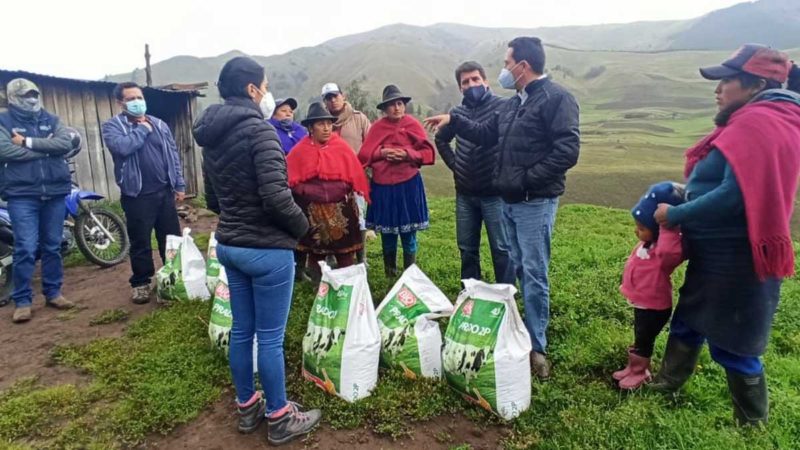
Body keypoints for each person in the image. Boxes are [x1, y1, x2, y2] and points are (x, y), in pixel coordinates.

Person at [652, 44, 800, 427]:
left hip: (737, 257)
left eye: (726, 81)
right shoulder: (767, 116)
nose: (717, 90)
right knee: (690, 319)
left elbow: (735, 195)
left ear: (755, 84)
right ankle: (669, 382)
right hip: (719, 251)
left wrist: (676, 213)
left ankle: (752, 424)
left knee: (734, 340)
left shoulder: (758, 123)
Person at [424, 37, 580, 379]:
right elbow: (482, 134)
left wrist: (526, 179)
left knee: (533, 273)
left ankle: (536, 347)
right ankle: (508, 319)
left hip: (534, 201)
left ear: (523, 66)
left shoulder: (557, 99)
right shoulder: (512, 106)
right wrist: (453, 119)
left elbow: (567, 151)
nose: (505, 69)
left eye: (508, 63)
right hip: (508, 201)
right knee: (517, 264)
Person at [192, 56, 320, 445]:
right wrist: (306, 231)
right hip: (266, 251)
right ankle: (280, 417)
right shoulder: (260, 133)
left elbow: (213, 198)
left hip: (229, 244)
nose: (268, 93)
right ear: (251, 90)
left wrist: (238, 216)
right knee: (270, 338)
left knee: (242, 330)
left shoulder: (210, 136)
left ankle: (248, 407)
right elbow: (277, 199)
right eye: (264, 86)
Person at [0, 78, 81, 323]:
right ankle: (23, 300)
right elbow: (5, 150)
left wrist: (27, 142)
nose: (32, 99)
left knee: (53, 246)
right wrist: (48, 149)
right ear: (13, 97)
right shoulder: (4, 121)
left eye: (35, 94)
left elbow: (64, 143)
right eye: (26, 95)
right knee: (25, 247)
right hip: (22, 195)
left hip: (55, 192)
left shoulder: (51, 119)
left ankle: (53, 293)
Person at [102, 82, 185, 305]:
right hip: (137, 194)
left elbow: (172, 155)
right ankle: (141, 283)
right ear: (120, 103)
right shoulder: (112, 127)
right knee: (140, 242)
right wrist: (142, 129)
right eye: (130, 99)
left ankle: (172, 279)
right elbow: (122, 147)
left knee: (171, 239)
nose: (137, 102)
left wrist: (179, 184)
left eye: (139, 97)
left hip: (164, 191)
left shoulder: (159, 124)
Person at [435, 61, 514, 284]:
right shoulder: (457, 113)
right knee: (467, 248)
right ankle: (470, 293)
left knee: (501, 249)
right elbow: (441, 139)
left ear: (485, 81)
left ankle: (505, 295)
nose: (471, 85)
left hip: (495, 194)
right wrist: (456, 165)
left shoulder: (502, 107)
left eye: (475, 79)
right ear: (460, 88)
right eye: (465, 82)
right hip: (465, 194)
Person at [287, 102, 370, 282]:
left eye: (329, 123)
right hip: (313, 212)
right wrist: (312, 192)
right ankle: (320, 291)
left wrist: (335, 191)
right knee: (316, 254)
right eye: (320, 124)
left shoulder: (341, 147)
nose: (326, 128)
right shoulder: (299, 151)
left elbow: (353, 176)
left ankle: (347, 288)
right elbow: (291, 180)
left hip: (341, 211)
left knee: (345, 254)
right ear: (310, 127)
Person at [613, 182, 684, 390]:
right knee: (640, 336)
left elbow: (672, 253)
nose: (637, 231)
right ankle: (633, 367)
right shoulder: (649, 243)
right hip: (644, 303)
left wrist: (668, 224)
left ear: (658, 230)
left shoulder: (664, 251)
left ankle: (640, 372)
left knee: (644, 340)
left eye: (642, 228)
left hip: (654, 307)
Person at [359, 85, 434, 277]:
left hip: (408, 184)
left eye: (399, 103)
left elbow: (426, 154)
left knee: (409, 234)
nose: (396, 108)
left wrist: (406, 154)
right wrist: (381, 152)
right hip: (383, 186)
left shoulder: (412, 124)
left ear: (404, 105)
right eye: (392, 105)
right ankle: (390, 274)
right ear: (385, 109)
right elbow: (364, 155)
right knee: (388, 234)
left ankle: (410, 275)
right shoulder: (377, 128)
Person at [321, 82, 372, 264]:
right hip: (329, 182)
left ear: (344, 96)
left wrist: (361, 167)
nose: (333, 100)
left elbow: (371, 144)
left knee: (359, 219)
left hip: (355, 179)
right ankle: (331, 255)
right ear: (325, 102)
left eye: (335, 96)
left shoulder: (359, 119)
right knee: (330, 218)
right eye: (328, 98)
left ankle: (361, 257)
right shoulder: (322, 123)